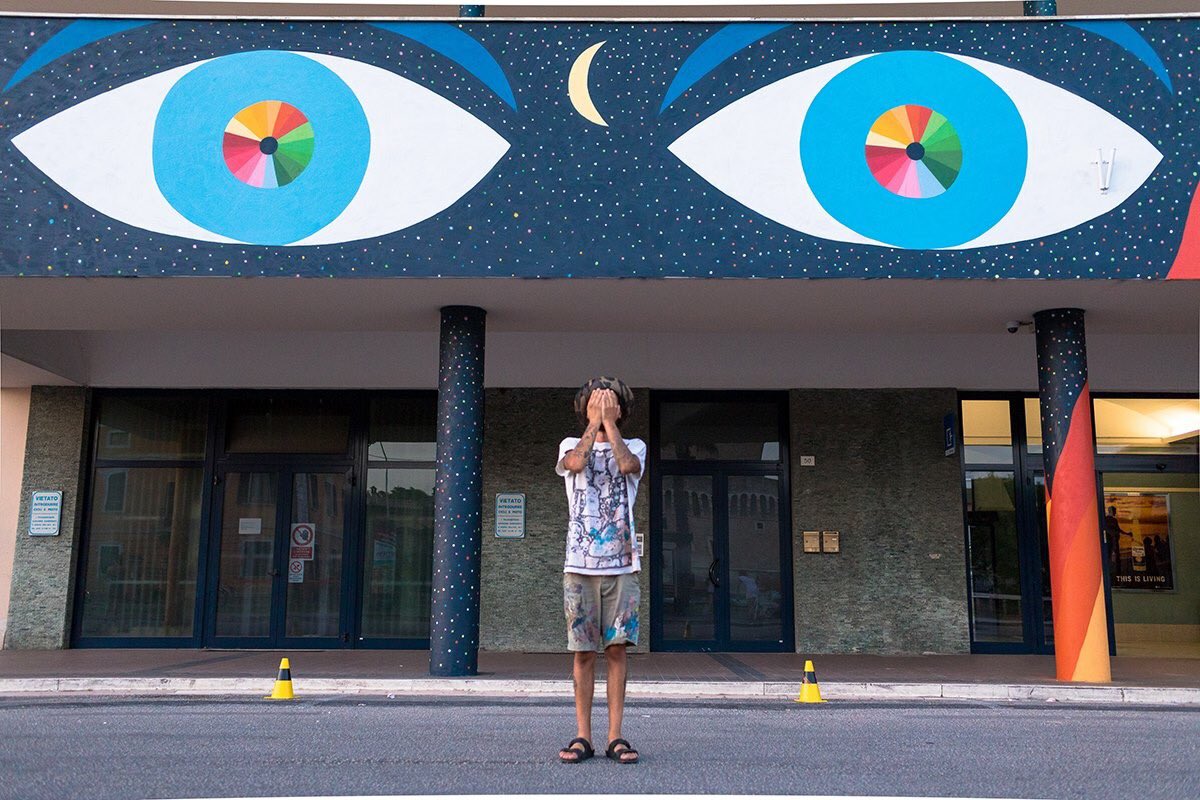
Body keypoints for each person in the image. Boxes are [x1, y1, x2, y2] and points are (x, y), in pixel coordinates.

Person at [555, 377, 646, 765]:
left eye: (609, 403)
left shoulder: (635, 445)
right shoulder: (568, 445)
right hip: (579, 567)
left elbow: (628, 465)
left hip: (622, 566)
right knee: (583, 653)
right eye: (594, 403)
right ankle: (582, 736)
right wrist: (594, 423)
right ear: (584, 409)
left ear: (621, 409)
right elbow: (574, 463)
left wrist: (610, 424)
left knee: (616, 650)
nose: (602, 406)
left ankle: (615, 737)